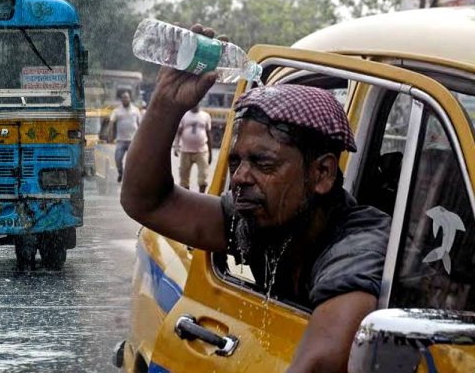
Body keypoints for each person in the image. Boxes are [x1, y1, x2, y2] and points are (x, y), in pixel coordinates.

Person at [120, 24, 390, 372]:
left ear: (321, 173)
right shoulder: (266, 218)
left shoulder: (360, 246)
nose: (241, 177)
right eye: (236, 160)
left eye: (263, 163)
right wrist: (165, 105)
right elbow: (147, 202)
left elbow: (321, 363)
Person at [173, 105, 212, 193]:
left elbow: (209, 134)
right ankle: (186, 198)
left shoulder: (205, 116)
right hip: (186, 151)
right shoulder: (184, 115)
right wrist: (176, 146)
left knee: (203, 176)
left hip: (201, 151)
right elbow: (178, 133)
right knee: (184, 178)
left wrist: (210, 153)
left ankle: (202, 197)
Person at [108, 91, 141, 182]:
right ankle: (120, 173)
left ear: (130, 99)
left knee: (133, 161)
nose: (125, 99)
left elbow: (140, 125)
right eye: (123, 98)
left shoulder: (136, 110)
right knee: (118, 158)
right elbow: (111, 122)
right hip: (121, 140)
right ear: (121, 100)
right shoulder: (117, 111)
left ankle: (131, 177)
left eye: (127, 98)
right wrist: (110, 134)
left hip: (132, 140)